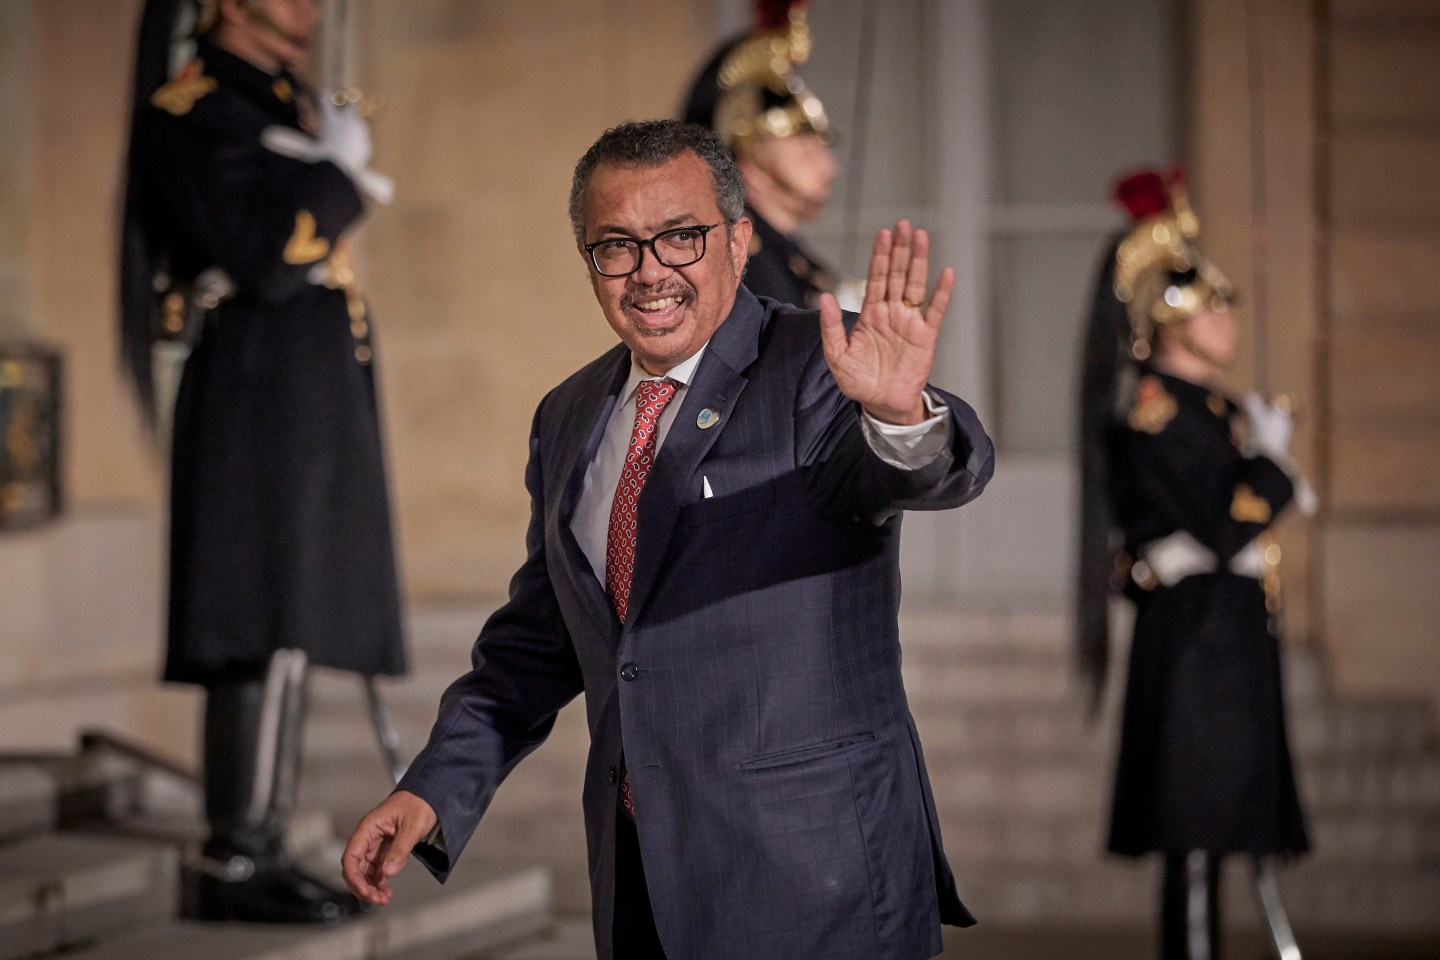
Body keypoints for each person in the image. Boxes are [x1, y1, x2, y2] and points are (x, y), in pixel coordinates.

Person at [342, 119, 993, 960]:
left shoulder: (819, 366)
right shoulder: (568, 414)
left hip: (816, 879)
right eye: (617, 245)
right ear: (589, 261)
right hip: (642, 883)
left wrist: (901, 415)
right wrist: (432, 788)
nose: (650, 271)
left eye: (681, 236)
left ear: (738, 240)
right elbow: (540, 642)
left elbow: (932, 473)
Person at [119, 0, 405, 923]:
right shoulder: (192, 108)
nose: (306, 9)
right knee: (256, 615)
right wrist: (337, 176)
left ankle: (263, 840)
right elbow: (266, 259)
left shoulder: (286, 101)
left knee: (293, 617)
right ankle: (236, 855)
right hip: (252, 392)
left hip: (300, 396)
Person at [1076, 169, 1312, 960]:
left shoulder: (1210, 408)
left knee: (1224, 829)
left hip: (1226, 642)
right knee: (1199, 835)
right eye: (1213, 308)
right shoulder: (1157, 410)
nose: (1228, 322)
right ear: (1171, 318)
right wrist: (1271, 468)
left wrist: (1261, 456)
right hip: (1196, 647)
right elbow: (1222, 524)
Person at [681, 0, 840, 309]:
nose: (829, 167)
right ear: (750, 158)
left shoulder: (790, 258)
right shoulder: (745, 266)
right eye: (806, 150)